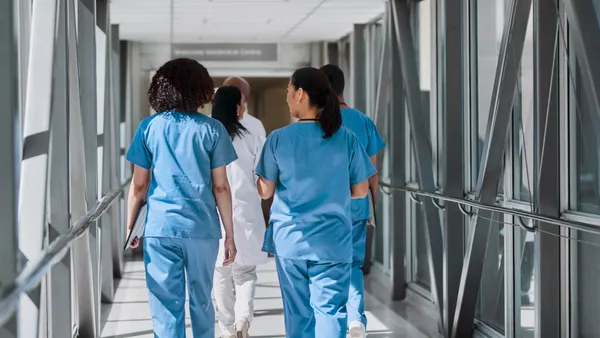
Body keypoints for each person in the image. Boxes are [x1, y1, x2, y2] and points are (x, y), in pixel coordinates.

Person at [255, 67, 376, 338]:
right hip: (333, 241)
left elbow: (265, 191)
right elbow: (360, 191)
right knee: (331, 312)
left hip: (291, 242)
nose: (286, 97)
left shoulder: (278, 139)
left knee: (298, 315)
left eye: (288, 91)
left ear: (300, 94)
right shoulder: (346, 138)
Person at [125, 58, 238, 338]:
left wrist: (131, 226)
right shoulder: (213, 129)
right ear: (200, 89)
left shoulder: (149, 127)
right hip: (202, 229)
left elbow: (139, 185)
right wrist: (230, 235)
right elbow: (221, 187)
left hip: (160, 228)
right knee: (201, 300)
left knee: (165, 303)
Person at [320, 64, 386, 337]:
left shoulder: (319, 123)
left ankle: (333, 319)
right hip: (358, 206)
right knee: (353, 264)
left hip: (325, 206)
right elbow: (372, 172)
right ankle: (356, 320)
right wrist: (373, 205)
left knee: (327, 264)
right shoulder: (364, 121)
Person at [211, 86, 268, 338]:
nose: (244, 108)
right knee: (245, 273)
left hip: (215, 213)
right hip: (247, 212)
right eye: (242, 104)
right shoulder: (252, 136)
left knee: (221, 272)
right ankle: (242, 319)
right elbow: (262, 178)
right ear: (235, 107)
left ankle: (226, 327)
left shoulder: (208, 135)